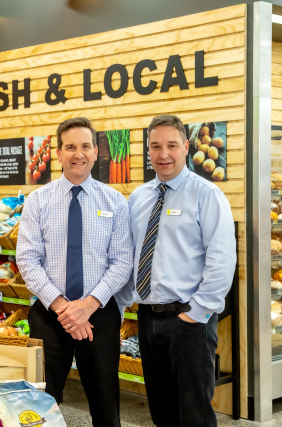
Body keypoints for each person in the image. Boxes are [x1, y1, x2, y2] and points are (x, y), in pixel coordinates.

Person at [16, 117, 133, 427]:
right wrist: (63, 307)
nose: (78, 154)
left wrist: (88, 305)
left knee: (105, 404)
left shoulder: (115, 202)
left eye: (85, 146)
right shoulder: (38, 201)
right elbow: (27, 259)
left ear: (95, 152)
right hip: (49, 314)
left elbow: (123, 261)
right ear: (58, 154)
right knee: (41, 402)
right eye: (70, 147)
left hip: (99, 314)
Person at [127, 114, 236, 427]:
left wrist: (198, 313)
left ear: (186, 147)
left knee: (194, 415)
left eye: (172, 145)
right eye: (156, 146)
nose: (164, 154)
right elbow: (131, 254)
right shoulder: (138, 197)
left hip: (189, 320)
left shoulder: (207, 194)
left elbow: (222, 258)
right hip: (147, 319)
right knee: (161, 412)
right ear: (148, 150)